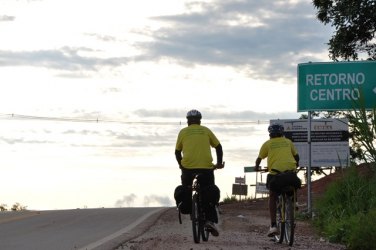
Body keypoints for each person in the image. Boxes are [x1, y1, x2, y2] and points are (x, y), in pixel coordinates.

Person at [174, 109, 224, 237]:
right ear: (200, 121)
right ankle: (210, 220)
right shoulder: (206, 130)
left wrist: (181, 165)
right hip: (206, 168)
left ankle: (189, 205)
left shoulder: (183, 132)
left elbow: (177, 152)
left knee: (186, 187)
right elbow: (218, 147)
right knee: (208, 189)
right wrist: (218, 163)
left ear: (187, 121)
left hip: (187, 168)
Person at [255, 123, 300, 237]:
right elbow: (297, 157)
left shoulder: (267, 144)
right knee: (293, 182)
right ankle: (294, 203)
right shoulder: (288, 142)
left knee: (272, 195)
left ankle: (273, 225)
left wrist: (256, 167)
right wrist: (296, 166)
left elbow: (259, 159)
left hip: (275, 174)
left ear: (270, 134)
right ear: (282, 133)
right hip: (290, 172)